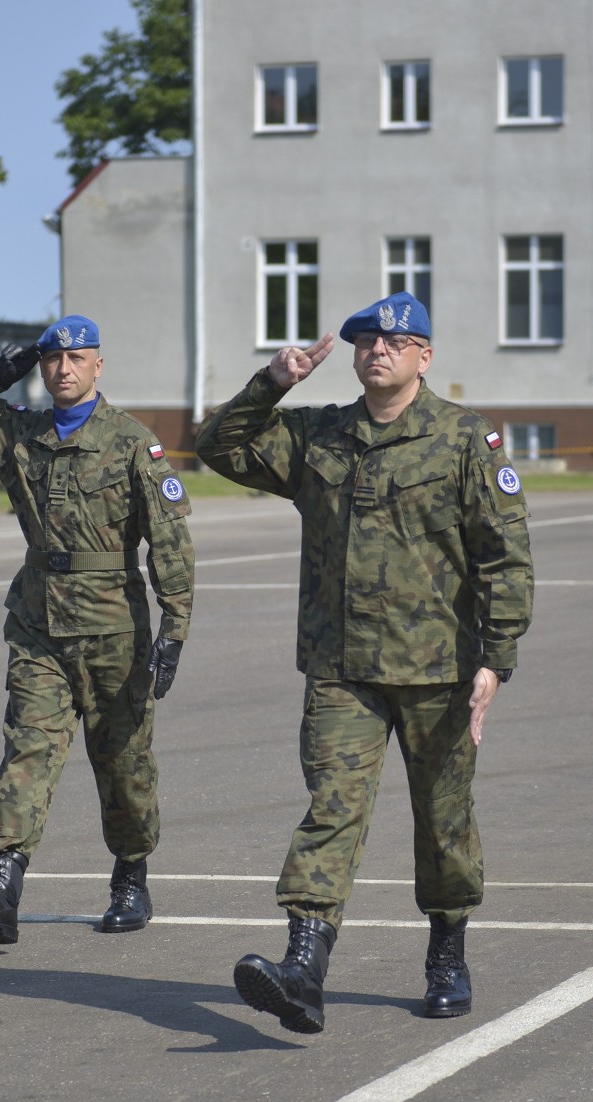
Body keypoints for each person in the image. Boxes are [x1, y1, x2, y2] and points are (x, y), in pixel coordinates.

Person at [195, 291, 533, 1033]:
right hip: (342, 669)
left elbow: (504, 558)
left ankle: (447, 953)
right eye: (365, 340)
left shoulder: (462, 441)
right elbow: (216, 448)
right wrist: (272, 382)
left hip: (439, 672)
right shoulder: (319, 435)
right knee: (331, 813)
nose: (377, 349)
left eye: (394, 340)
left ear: (423, 355)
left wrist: (495, 661)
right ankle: (304, 968)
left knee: (443, 823)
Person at [0, 314, 194, 943]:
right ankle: (2, 887)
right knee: (28, 750)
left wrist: (175, 627)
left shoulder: (133, 442)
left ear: (99, 364)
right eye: (51, 360)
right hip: (40, 624)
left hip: (113, 631)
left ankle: (131, 878)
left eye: (76, 359)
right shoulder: (19, 433)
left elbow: (171, 541)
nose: (63, 369)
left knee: (123, 762)